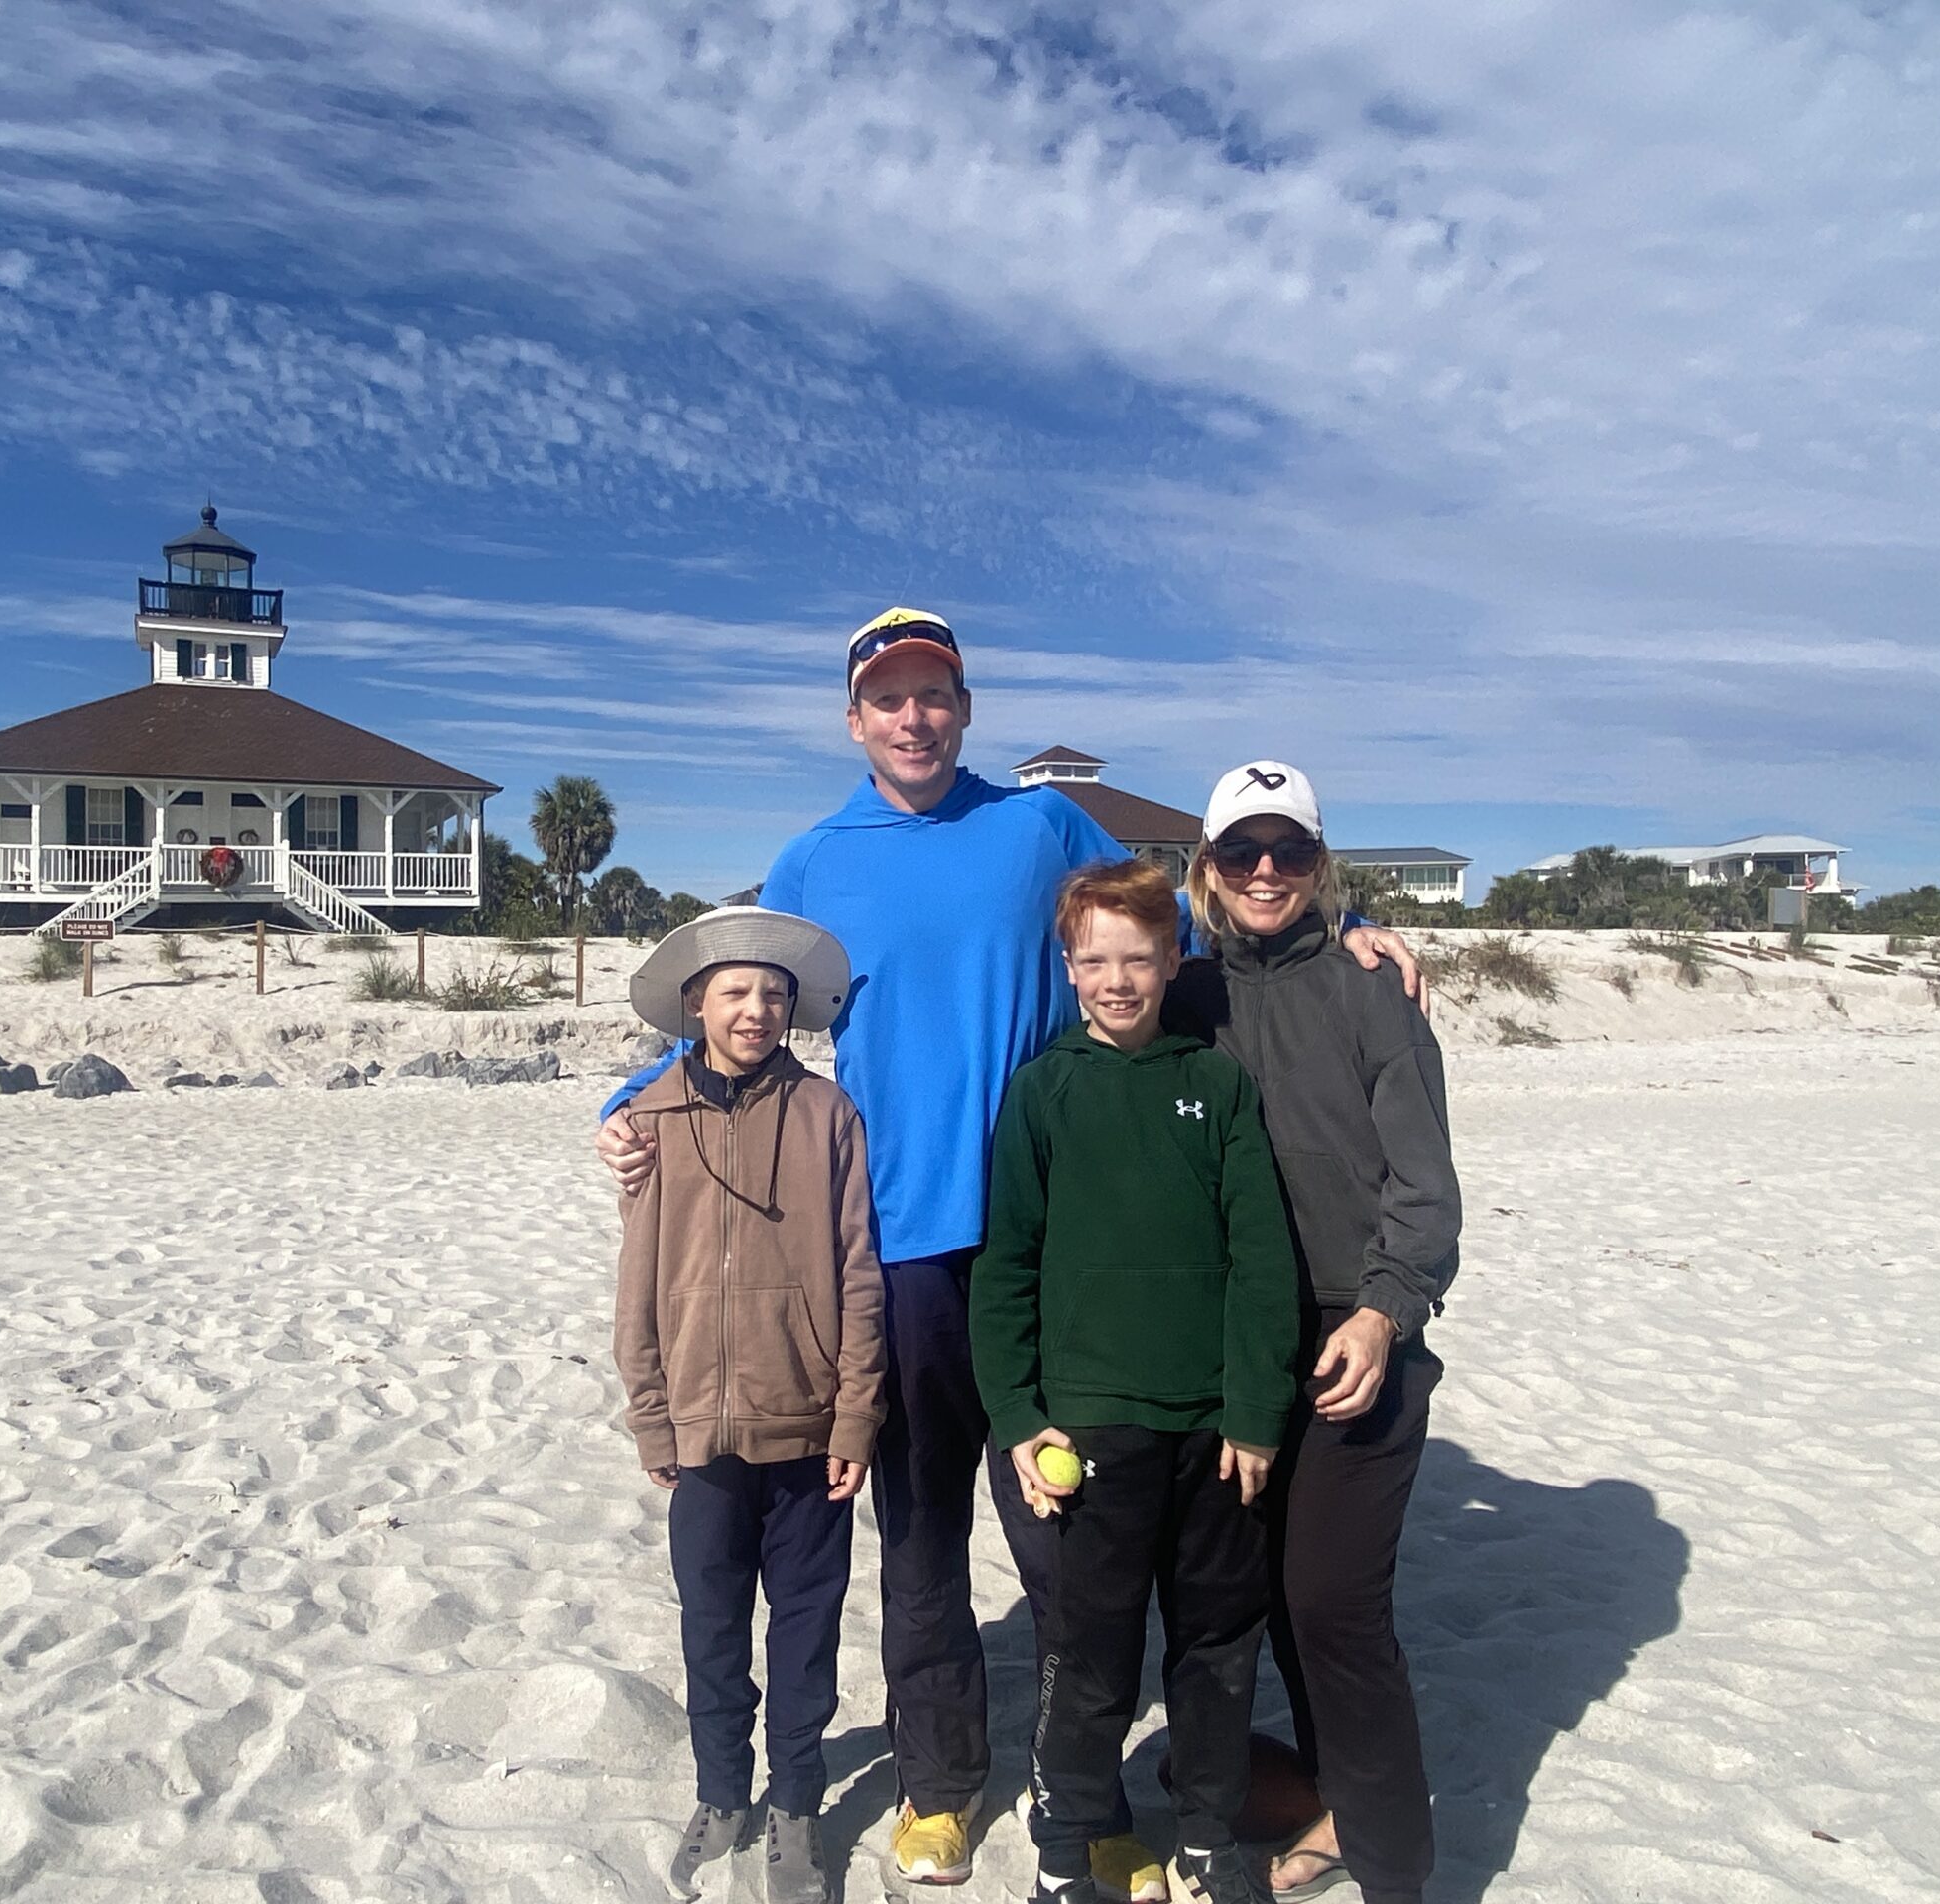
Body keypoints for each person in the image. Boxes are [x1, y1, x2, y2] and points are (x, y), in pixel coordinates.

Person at [600, 608, 1422, 1895]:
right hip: (903, 1250)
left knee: (1074, 1548)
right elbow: (739, 998)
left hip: (1064, 1244)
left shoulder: (1040, 827)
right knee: (920, 1535)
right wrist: (631, 1102)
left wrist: (1349, 923)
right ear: (855, 720)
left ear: (964, 709)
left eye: (934, 694)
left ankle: (1080, 1797)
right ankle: (938, 1783)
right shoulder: (815, 859)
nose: (913, 718)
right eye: (888, 699)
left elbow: (1186, 914)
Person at [971, 857, 1300, 1904]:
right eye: (1096, 961)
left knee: (1215, 1647)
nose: (1117, 981)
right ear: (1068, 966)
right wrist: (1019, 1416)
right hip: (1092, 1426)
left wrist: (1255, 1413)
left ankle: (1206, 1837)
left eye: (1139, 959)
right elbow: (1006, 1266)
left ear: (1173, 960)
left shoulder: (1218, 1084)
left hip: (1216, 1433)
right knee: (1091, 1652)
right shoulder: (1043, 1090)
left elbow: (1262, 1263)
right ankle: (1066, 1847)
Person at [1165, 762, 1462, 1904]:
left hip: (1357, 1334)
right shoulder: (1183, 996)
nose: (1265, 871)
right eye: (1241, 851)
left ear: (1320, 863)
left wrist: (1385, 1312)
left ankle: (1394, 1870)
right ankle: (1334, 1800)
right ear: (1207, 869)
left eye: (1289, 850)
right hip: (1231, 1345)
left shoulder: (1370, 991)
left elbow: (1425, 1193)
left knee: (1336, 1605)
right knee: (1265, 1599)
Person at [612, 905, 886, 1904]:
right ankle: (722, 1791)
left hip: (808, 1427)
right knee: (712, 1630)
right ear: (696, 1004)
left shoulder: (827, 1115)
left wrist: (855, 1414)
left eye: (773, 993)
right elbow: (637, 1281)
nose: (755, 1009)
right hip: (699, 1431)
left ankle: (796, 1803)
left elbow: (859, 1273)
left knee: (805, 1635)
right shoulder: (649, 1123)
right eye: (734, 991)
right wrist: (651, 1412)